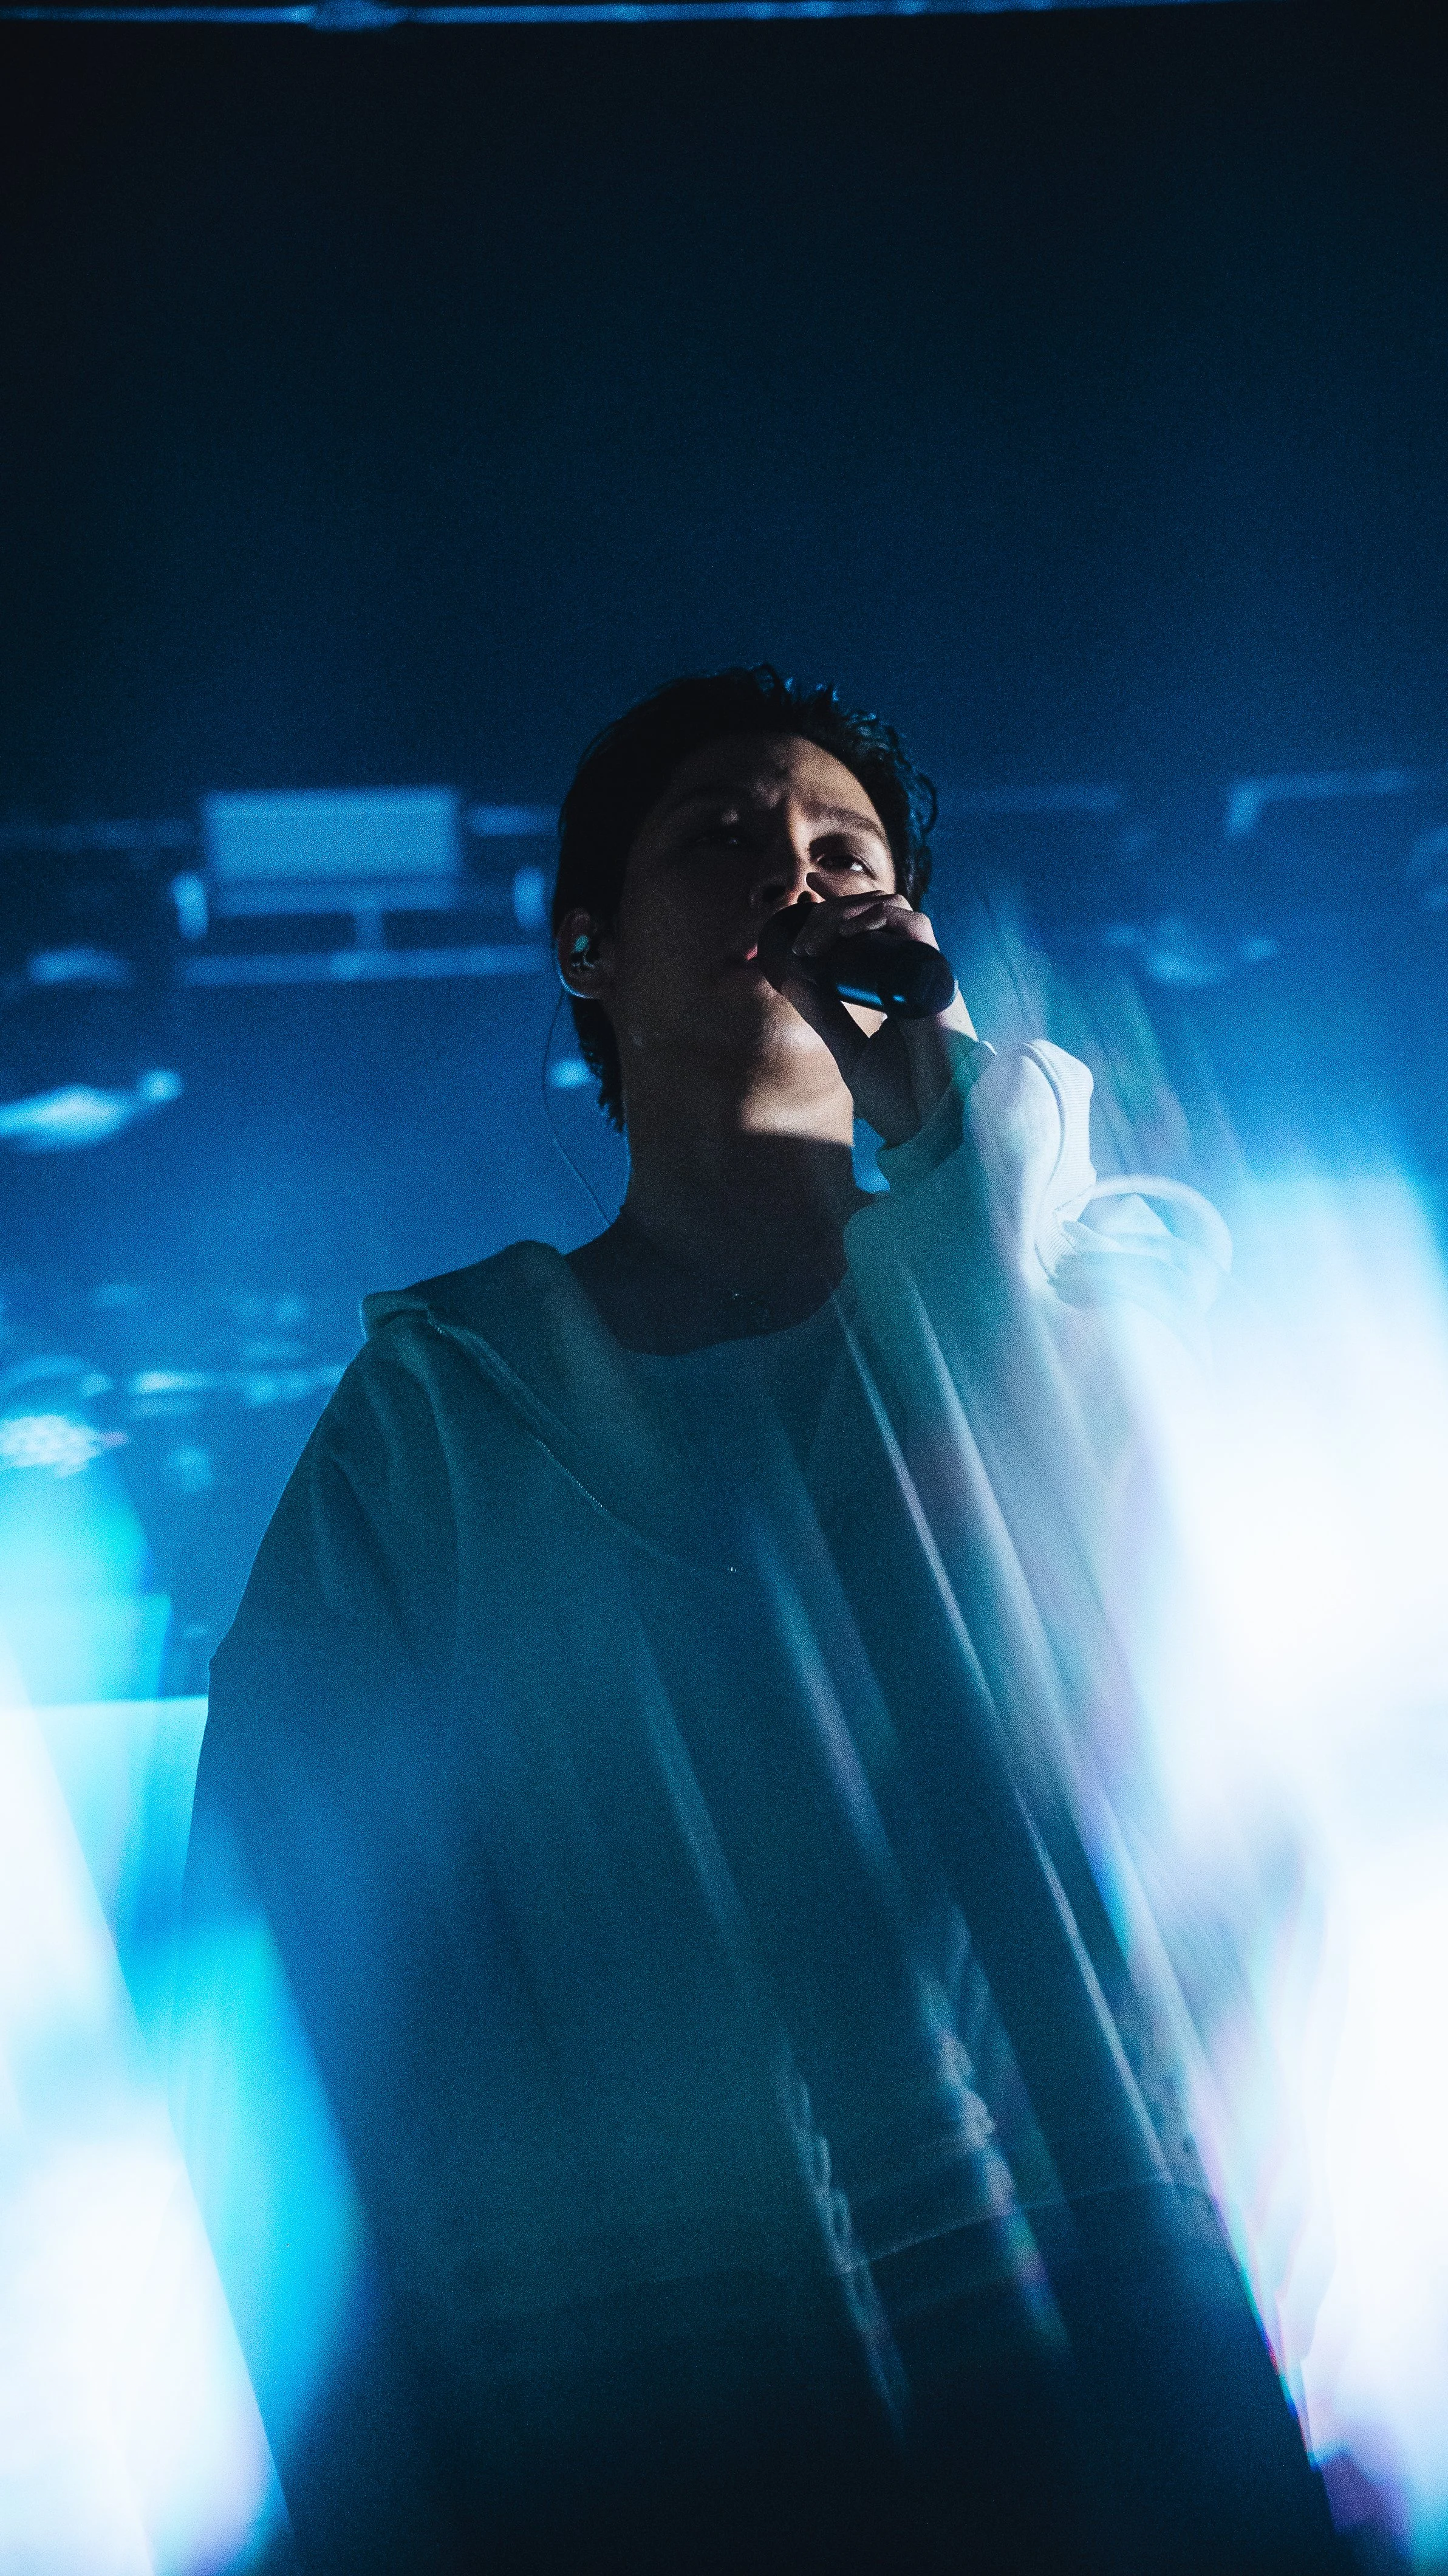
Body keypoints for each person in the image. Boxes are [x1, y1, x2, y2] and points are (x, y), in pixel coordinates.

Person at [177, 667, 1341, 2575]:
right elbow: (296, 1927)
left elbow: (1182, 1614)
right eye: (723, 838)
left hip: (1125, 2345)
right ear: (588, 945)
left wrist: (952, 1114)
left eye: (844, 852)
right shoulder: (449, 1407)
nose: (796, 881)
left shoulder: (1070, 1279)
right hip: (666, 2404)